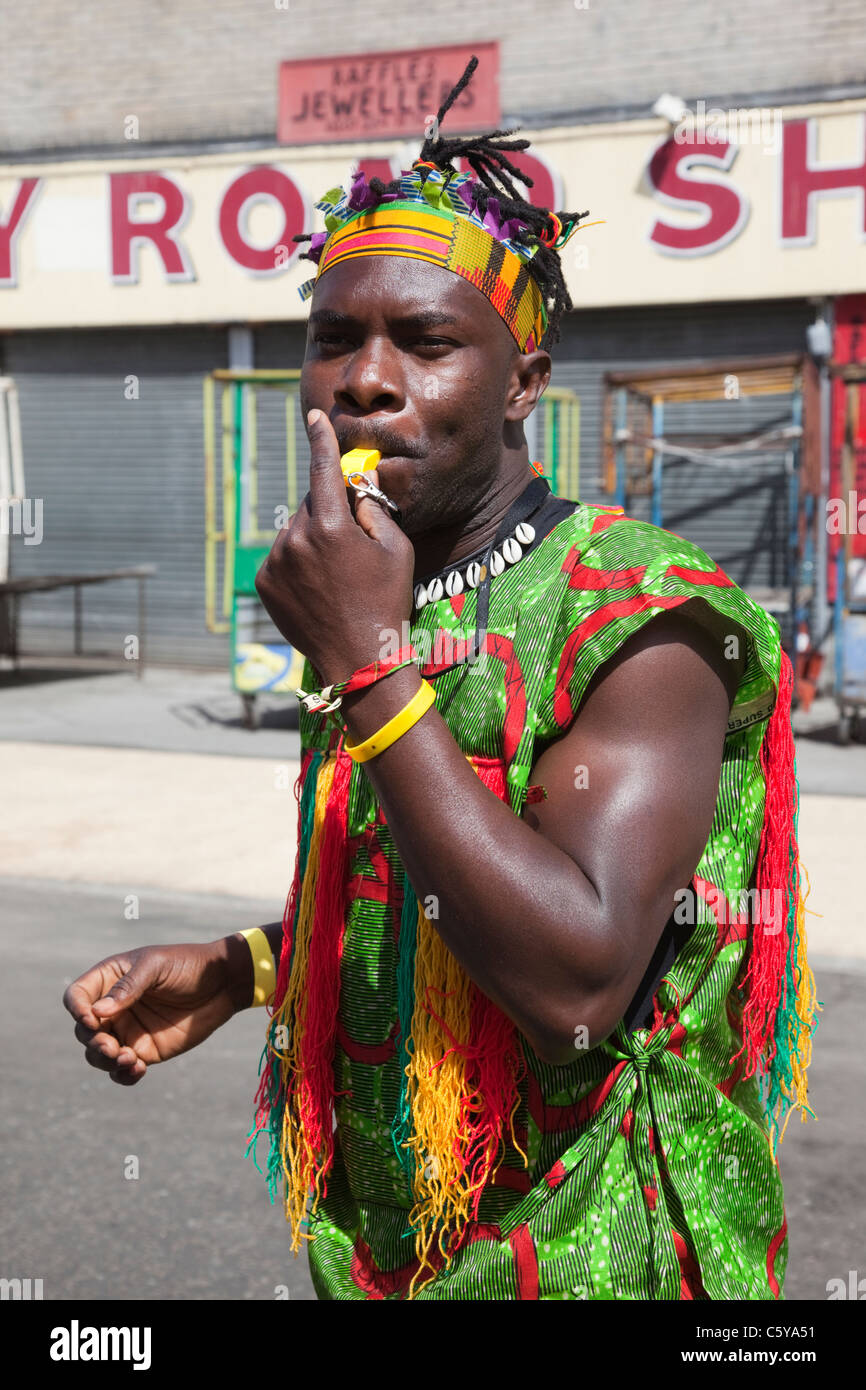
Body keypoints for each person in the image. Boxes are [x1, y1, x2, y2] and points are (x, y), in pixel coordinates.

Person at [64, 56, 819, 1301]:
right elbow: (428, 886)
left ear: (522, 382)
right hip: (388, 1260)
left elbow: (574, 978)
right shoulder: (385, 586)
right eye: (331, 341)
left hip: (600, 1259)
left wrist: (365, 665)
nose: (364, 381)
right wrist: (253, 965)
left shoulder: (640, 613)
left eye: (422, 343)